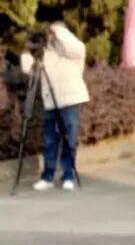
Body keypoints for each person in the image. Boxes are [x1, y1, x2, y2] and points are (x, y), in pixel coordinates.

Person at [21, 22, 90, 191]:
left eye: (54, 32)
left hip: (70, 100)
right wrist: (27, 49)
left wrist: (58, 30)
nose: (51, 35)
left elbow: (74, 46)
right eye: (50, 32)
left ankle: (68, 175)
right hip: (50, 102)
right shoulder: (45, 52)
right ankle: (48, 176)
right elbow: (29, 69)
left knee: (69, 139)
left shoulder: (74, 50)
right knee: (50, 140)